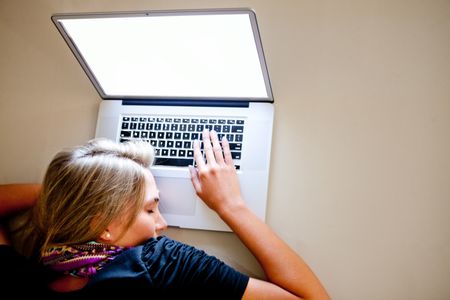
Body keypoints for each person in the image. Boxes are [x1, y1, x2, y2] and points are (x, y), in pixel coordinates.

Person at [0, 129, 330, 299]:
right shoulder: (160, 265)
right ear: (103, 227)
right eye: (150, 208)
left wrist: (73, 189)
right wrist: (232, 206)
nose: (163, 222)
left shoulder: (26, 275)